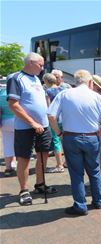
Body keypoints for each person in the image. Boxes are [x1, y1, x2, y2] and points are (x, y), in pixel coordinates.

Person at [47, 70, 101, 216]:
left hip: (71, 138)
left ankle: (80, 205)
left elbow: (51, 115)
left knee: (76, 173)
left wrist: (59, 133)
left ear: (75, 81)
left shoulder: (64, 94)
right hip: (92, 138)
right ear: (90, 82)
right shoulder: (97, 97)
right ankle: (98, 201)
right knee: (94, 170)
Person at [7, 52, 56, 206]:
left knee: (44, 154)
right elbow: (13, 105)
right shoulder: (16, 78)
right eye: (40, 65)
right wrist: (33, 123)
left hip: (44, 125)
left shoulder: (36, 79)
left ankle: (40, 184)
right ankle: (24, 190)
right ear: (31, 63)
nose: (43, 68)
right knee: (24, 158)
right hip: (25, 127)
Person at [44, 73, 65, 173]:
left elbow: (48, 107)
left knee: (56, 141)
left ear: (46, 81)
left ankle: (59, 165)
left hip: (54, 119)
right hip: (64, 118)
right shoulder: (63, 89)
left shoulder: (47, 91)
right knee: (65, 140)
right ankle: (66, 162)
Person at [0, 84, 16, 176]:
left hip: (4, 122)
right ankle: (16, 162)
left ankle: (8, 167)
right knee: (18, 143)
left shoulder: (1, 94)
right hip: (16, 120)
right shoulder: (13, 94)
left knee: (7, 144)